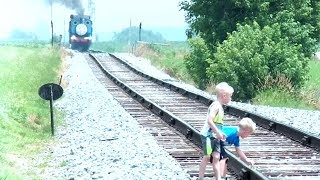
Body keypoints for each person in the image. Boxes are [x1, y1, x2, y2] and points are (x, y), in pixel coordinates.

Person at [198, 82, 234, 180]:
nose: (231, 98)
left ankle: (218, 178)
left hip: (216, 136)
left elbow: (217, 124)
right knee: (207, 156)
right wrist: (218, 133)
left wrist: (220, 133)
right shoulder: (216, 106)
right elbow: (210, 121)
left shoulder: (220, 107)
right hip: (208, 135)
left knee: (217, 157)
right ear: (224, 95)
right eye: (230, 96)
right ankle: (200, 177)